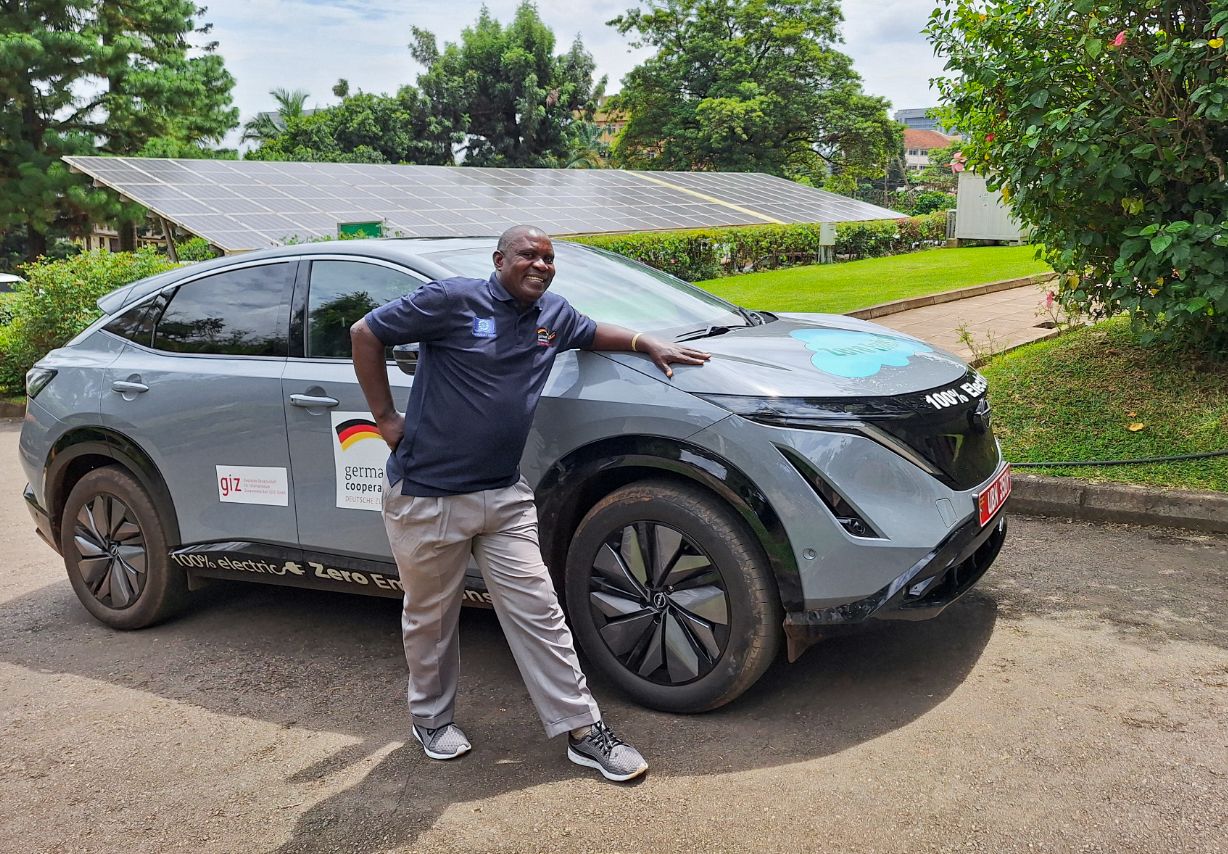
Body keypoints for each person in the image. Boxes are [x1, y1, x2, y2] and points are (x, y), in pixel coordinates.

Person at [349, 225, 710, 782]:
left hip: (503, 496)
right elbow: (364, 333)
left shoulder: (552, 315)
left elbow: (592, 332)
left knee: (541, 613)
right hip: (427, 496)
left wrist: (645, 342)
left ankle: (584, 731)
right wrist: (385, 419)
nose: (540, 265)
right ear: (500, 259)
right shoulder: (452, 300)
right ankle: (431, 719)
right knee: (431, 618)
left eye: (548, 257)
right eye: (528, 255)